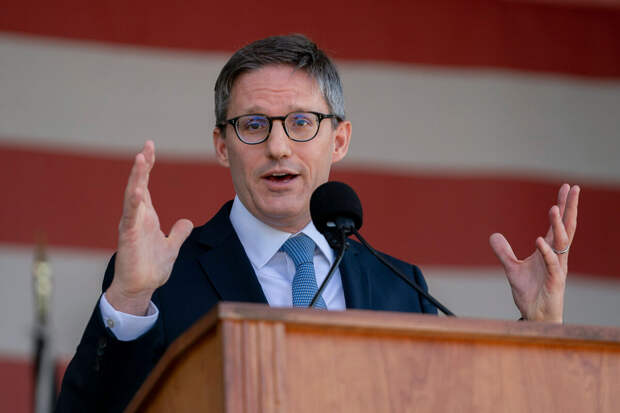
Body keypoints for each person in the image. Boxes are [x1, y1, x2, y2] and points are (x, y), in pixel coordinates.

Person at [55, 34, 580, 412]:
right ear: (222, 145)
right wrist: (128, 300)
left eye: (301, 122)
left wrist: (538, 332)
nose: (278, 147)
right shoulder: (161, 282)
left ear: (340, 139)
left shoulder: (401, 288)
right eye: (253, 125)